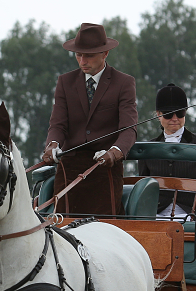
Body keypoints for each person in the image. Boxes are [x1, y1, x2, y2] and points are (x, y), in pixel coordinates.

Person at [41, 23, 138, 216]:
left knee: (103, 229)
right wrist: (52, 145)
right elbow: (58, 124)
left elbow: (129, 129)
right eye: (78, 55)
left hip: (105, 169)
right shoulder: (65, 82)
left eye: (89, 55)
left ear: (105, 53)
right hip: (68, 169)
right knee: (63, 228)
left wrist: (114, 152)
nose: (82, 60)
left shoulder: (124, 83)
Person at [138, 83, 196, 220]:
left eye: (180, 113)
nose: (175, 119)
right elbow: (144, 189)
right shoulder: (148, 148)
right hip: (156, 214)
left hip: (192, 214)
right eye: (169, 114)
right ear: (158, 115)